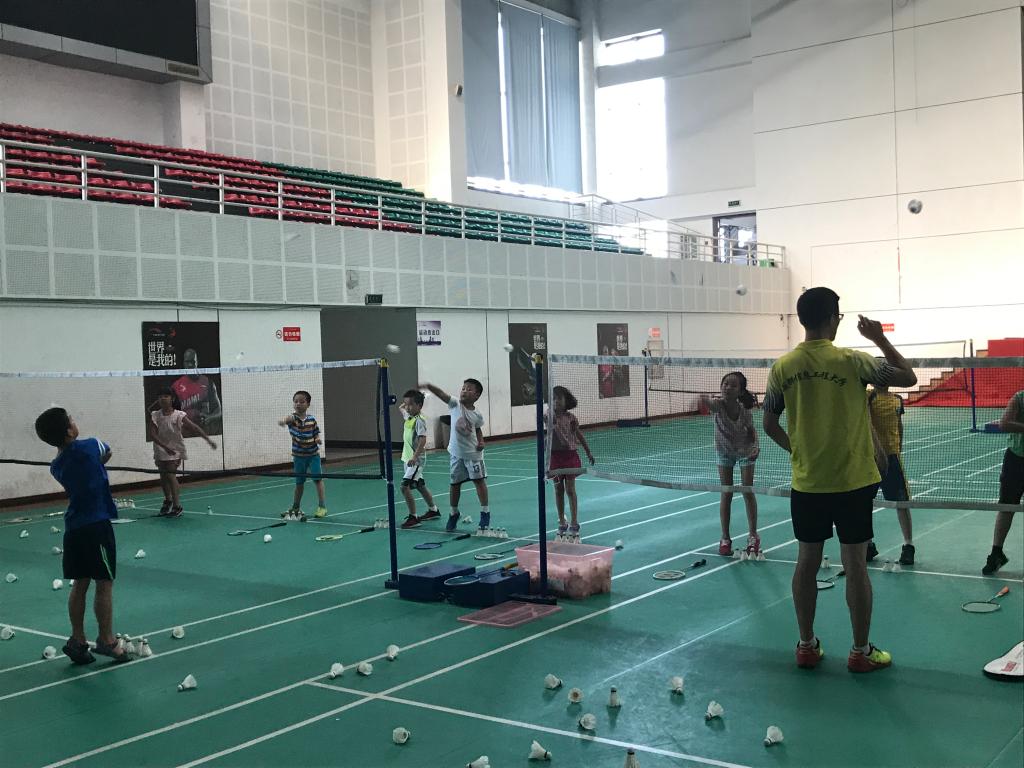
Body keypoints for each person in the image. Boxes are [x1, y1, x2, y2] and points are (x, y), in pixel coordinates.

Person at [762, 287, 916, 673]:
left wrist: (798, 451)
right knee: (856, 564)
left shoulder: (782, 368)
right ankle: (860, 652)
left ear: (802, 319)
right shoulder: (853, 360)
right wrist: (879, 338)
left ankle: (806, 646)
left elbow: (769, 423)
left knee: (806, 562)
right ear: (833, 318)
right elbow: (908, 377)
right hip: (853, 481)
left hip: (808, 483)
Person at [34, 407, 130, 665]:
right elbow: (106, 451)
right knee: (104, 582)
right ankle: (107, 640)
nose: (75, 422)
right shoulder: (89, 446)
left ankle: (77, 640)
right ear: (68, 431)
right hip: (97, 526)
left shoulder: (56, 466)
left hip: (74, 528)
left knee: (80, 583)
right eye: (71, 420)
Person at [699, 372, 760, 557]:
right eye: (725, 384)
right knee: (726, 493)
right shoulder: (718, 405)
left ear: (740, 391)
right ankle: (725, 538)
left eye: (733, 385)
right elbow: (707, 403)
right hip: (724, 453)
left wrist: (756, 447)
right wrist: (704, 398)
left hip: (745, 451)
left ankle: (753, 536)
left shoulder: (744, 411)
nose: (727, 387)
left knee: (747, 491)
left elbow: (751, 431)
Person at [419, 379, 490, 531]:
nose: (464, 391)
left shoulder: (477, 414)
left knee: (479, 482)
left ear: (477, 395)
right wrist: (429, 386)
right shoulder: (455, 404)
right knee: (455, 485)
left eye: (469, 389)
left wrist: (481, 441)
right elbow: (441, 394)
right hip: (456, 454)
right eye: (463, 388)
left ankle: (485, 512)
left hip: (473, 454)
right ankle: (453, 513)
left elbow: (478, 429)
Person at [150, 387, 217, 518]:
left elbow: (194, 428)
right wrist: (164, 447)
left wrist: (208, 440)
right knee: (163, 477)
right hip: (160, 449)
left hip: (175, 450)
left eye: (166, 396)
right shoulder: (155, 415)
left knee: (171, 475)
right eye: (160, 396)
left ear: (172, 399)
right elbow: (152, 434)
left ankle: (177, 506)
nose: (163, 399)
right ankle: (167, 501)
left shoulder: (179, 415)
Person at [866, 384, 915, 565]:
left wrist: (898, 447)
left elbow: (899, 425)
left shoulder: (897, 399)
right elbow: (866, 423)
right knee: (864, 502)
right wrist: (878, 451)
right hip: (869, 458)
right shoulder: (868, 397)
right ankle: (868, 545)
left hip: (892, 459)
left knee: (901, 503)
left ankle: (908, 546)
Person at [982, 390, 1024, 575]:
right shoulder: (1020, 397)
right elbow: (1004, 423)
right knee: (1006, 506)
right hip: (1016, 458)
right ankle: (996, 553)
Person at [547, 385, 595, 537]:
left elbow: (579, 434)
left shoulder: (571, 418)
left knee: (570, 489)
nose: (556, 401)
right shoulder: (549, 416)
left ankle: (574, 522)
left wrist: (588, 451)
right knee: (558, 489)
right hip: (555, 457)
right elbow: (552, 428)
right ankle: (562, 521)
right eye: (553, 398)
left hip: (570, 457)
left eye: (559, 398)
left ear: (566, 400)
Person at [279, 390, 327, 521]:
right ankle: (295, 507)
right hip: (298, 456)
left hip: (313, 455)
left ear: (308, 404)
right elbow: (287, 419)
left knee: (318, 480)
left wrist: (317, 439)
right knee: (299, 483)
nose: (298, 404)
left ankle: (322, 507)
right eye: (295, 401)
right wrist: (283, 421)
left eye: (302, 401)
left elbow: (315, 432)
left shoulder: (312, 420)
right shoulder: (293, 418)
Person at [397, 389, 441, 529]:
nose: (407, 407)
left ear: (419, 406)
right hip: (407, 459)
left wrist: (415, 457)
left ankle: (413, 517)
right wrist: (413, 399)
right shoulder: (409, 418)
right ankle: (433, 510)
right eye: (406, 404)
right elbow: (400, 407)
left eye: (411, 404)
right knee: (420, 485)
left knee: (404, 487)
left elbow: (422, 440)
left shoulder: (419, 421)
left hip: (415, 461)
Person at [171, 348, 222, 434]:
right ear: (184, 363)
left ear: (197, 362)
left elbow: (219, 411)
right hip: (185, 433)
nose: (190, 365)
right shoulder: (175, 386)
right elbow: (169, 414)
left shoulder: (208, 383)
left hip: (204, 431)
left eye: (193, 361)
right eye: (187, 362)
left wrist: (210, 418)